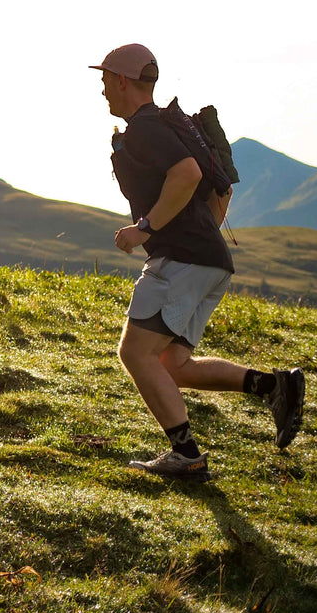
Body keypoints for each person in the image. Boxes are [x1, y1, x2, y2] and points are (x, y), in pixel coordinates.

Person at [93, 43, 305, 479]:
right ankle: (273, 385)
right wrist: (201, 234)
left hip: (183, 261)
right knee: (173, 364)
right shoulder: (171, 127)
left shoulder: (146, 129)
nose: (102, 92)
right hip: (209, 261)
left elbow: (188, 174)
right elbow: (220, 187)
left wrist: (146, 228)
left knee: (135, 352)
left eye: (104, 81)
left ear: (121, 81)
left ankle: (186, 454)